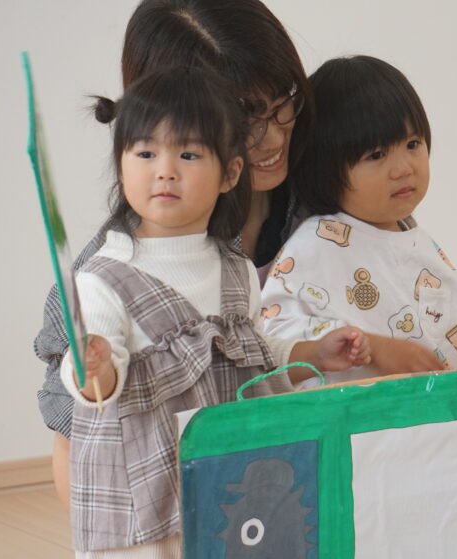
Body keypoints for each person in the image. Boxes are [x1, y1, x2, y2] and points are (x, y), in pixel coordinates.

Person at [64, 66, 368, 559]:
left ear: (230, 173)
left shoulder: (234, 268)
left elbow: (254, 351)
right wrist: (92, 366)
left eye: (188, 154)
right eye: (145, 153)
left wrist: (312, 352)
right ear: (121, 165)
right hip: (142, 506)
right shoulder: (103, 276)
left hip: (226, 491)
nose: (164, 171)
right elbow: (96, 380)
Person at [33, 0, 314, 509]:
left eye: (282, 102)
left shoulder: (319, 202)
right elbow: (78, 438)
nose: (273, 137)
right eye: (246, 116)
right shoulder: (108, 279)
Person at [260, 55, 457, 385]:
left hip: (428, 416)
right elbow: (273, 343)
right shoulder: (315, 245)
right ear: (324, 168)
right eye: (376, 155)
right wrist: (374, 348)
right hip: (354, 417)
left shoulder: (421, 245)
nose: (404, 168)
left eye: (412, 144)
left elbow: (449, 354)